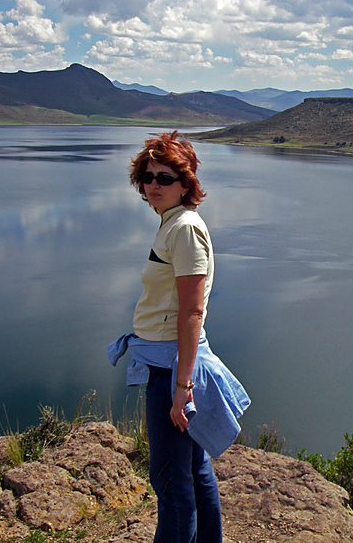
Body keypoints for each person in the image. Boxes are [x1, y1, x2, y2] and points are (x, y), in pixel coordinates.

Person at [108, 131, 250, 543]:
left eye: (166, 177)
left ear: (186, 184)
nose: (154, 184)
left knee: (171, 482)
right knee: (193, 469)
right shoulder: (173, 224)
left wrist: (182, 387)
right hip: (170, 361)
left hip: (171, 368)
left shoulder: (184, 229)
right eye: (148, 176)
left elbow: (191, 310)